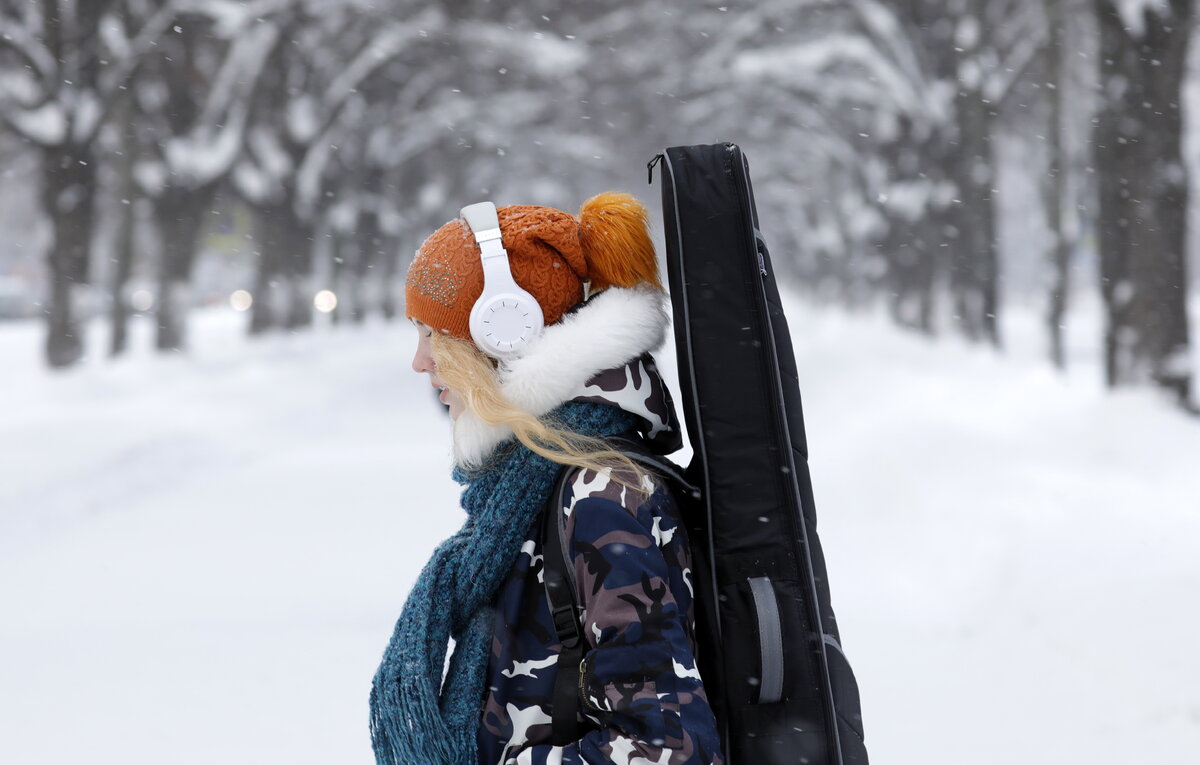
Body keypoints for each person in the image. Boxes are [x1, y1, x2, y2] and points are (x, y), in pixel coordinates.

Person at [369, 193, 724, 765]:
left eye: (434, 335)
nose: (420, 361)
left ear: (504, 334)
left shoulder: (600, 496)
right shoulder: (532, 486)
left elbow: (667, 749)